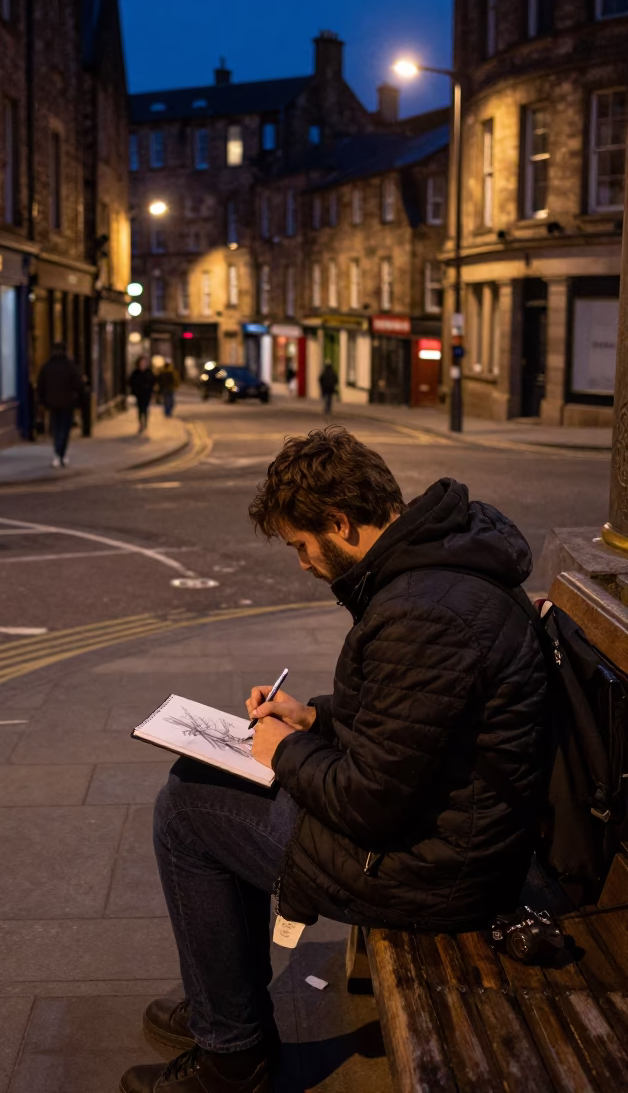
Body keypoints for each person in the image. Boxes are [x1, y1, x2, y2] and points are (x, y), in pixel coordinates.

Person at [120, 427, 549, 1093]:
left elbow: (371, 805)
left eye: (301, 545)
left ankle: (232, 1055)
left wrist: (285, 749)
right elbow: (413, 721)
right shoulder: (437, 567)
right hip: (452, 832)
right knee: (199, 778)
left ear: (340, 523)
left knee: (186, 812)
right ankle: (223, 1001)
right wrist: (312, 718)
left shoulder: (422, 611)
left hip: (435, 869)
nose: (301, 563)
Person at [36, 342, 84, 468]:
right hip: (67, 404)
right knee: (64, 429)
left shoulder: (47, 367)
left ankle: (58, 453)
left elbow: (40, 386)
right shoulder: (71, 367)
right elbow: (79, 385)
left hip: (52, 404)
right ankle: (61, 453)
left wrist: (42, 402)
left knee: (56, 429)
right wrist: (77, 402)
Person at [129, 356, 156, 432]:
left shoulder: (149, 372)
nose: (143, 364)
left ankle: (145, 423)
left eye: (144, 362)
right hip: (139, 394)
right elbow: (131, 382)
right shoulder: (136, 372)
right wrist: (135, 390)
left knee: (146, 408)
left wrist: (151, 390)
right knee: (140, 409)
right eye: (142, 362)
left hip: (147, 394)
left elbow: (153, 381)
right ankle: (141, 423)